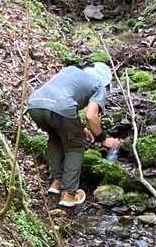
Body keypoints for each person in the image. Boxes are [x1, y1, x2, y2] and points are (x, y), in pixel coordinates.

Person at [27, 61, 122, 208]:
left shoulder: (70, 70)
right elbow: (91, 115)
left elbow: (63, 101)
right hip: (60, 110)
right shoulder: (98, 85)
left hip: (35, 105)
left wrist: (80, 128)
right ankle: (69, 194)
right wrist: (103, 139)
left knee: (55, 138)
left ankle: (57, 182)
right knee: (75, 147)